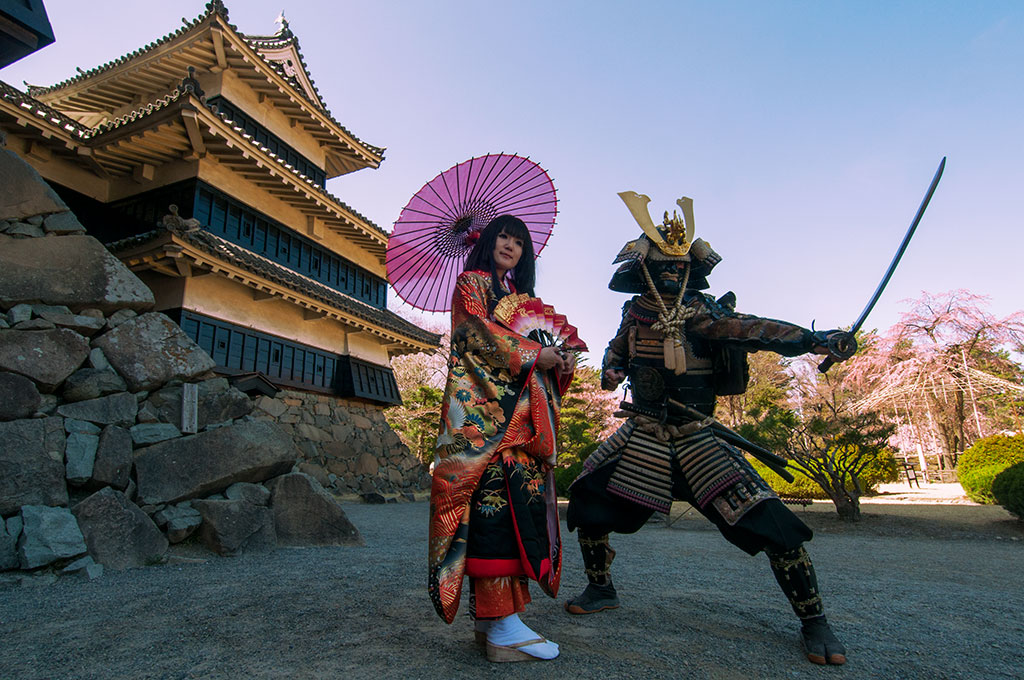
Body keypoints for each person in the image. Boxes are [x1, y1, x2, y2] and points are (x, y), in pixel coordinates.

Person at [563, 194, 855, 666]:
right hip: (643, 434)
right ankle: (601, 587)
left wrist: (814, 339)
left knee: (773, 525)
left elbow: (751, 329)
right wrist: (611, 371)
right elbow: (616, 351)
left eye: (681, 267)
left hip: (697, 438)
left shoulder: (703, 313)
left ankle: (815, 621)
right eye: (664, 267)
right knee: (588, 499)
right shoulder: (634, 315)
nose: (674, 274)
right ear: (645, 270)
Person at [428, 214, 577, 663]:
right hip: (487, 422)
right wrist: (534, 352)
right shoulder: (471, 283)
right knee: (494, 513)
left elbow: (531, 349)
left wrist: (559, 362)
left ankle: (493, 623)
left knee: (513, 510)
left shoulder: (515, 297)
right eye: (503, 237)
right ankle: (503, 626)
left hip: (518, 422)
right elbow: (472, 335)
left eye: (518, 241)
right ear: (488, 241)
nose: (510, 245)